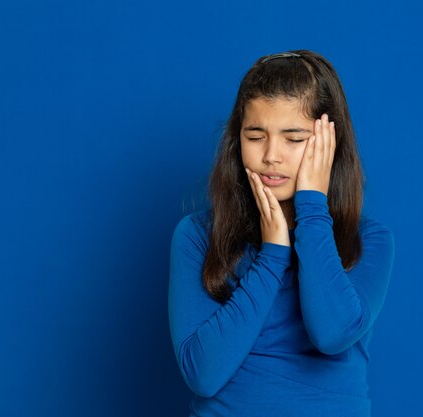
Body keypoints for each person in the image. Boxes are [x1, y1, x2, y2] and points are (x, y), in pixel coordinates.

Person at [168, 50, 395, 417]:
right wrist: (273, 253)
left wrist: (311, 208)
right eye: (255, 136)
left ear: (328, 143)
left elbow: (332, 333)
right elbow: (202, 375)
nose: (272, 155)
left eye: (294, 138)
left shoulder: (369, 240)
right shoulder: (197, 235)